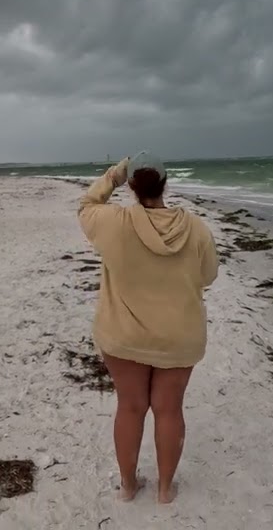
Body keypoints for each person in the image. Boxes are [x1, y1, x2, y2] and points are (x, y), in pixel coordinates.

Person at [77, 151, 219, 504]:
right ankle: (165, 490)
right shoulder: (196, 228)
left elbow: (86, 205)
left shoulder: (112, 222)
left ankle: (128, 486)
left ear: (132, 187)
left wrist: (112, 176)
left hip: (124, 334)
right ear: (165, 184)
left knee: (130, 407)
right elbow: (208, 276)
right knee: (169, 410)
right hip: (179, 335)